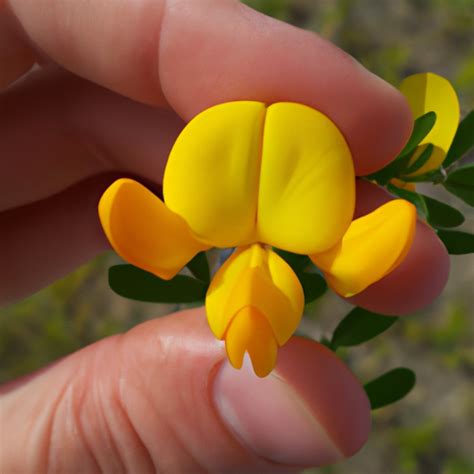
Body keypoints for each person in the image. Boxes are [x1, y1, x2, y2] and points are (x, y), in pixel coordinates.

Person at [0, 0, 449, 471]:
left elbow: (139, 222)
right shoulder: (314, 234)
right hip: (291, 192)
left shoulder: (210, 229)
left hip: (262, 189)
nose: (251, 312)